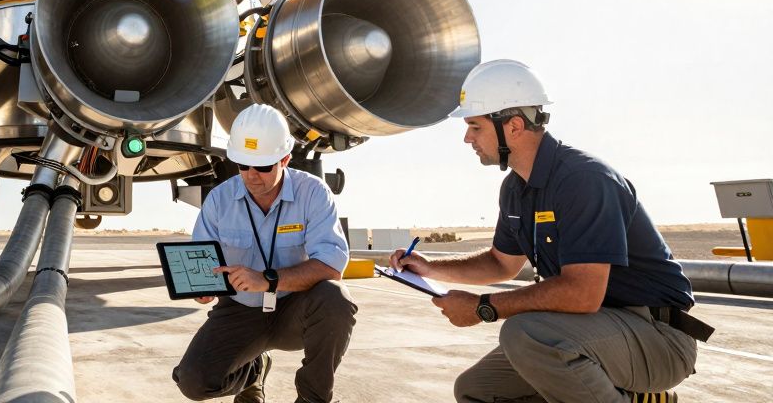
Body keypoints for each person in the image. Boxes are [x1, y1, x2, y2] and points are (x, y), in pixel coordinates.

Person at [390, 59, 710, 403]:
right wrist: (430, 268)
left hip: (657, 338)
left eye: (474, 126)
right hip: (595, 331)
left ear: (513, 125)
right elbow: (502, 264)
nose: (467, 137)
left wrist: (483, 307)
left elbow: (583, 293)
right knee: (477, 391)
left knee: (528, 334)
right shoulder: (515, 189)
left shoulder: (584, 180)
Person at [173, 104, 358, 403]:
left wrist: (267, 280)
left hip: (295, 309)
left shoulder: (313, 193)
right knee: (193, 383)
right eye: (242, 166)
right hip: (239, 311)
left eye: (262, 167)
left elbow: (331, 265)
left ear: (284, 159)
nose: (251, 176)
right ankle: (253, 371)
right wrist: (202, 287)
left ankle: (313, 398)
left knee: (336, 299)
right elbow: (204, 259)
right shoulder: (220, 200)